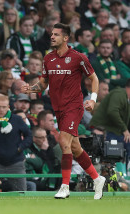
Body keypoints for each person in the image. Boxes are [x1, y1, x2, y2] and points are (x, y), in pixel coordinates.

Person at [21, 23, 105, 200]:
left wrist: (93, 98)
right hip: (57, 107)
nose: (52, 37)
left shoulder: (78, 57)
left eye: (56, 35)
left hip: (74, 106)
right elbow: (44, 83)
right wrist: (31, 89)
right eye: (51, 34)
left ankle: (64, 186)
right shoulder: (48, 59)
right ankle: (97, 179)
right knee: (74, 147)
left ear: (66, 38)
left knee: (63, 140)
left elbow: (94, 78)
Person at [0, 94, 32, 191]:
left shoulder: (17, 120)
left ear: (8, 107)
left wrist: (20, 147)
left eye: (4, 107)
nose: (1, 110)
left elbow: (29, 136)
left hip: (16, 163)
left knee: (21, 193)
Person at [89, 79, 130, 158]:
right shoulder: (119, 94)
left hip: (113, 131)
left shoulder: (127, 99)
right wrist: (124, 130)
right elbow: (112, 112)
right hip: (102, 129)